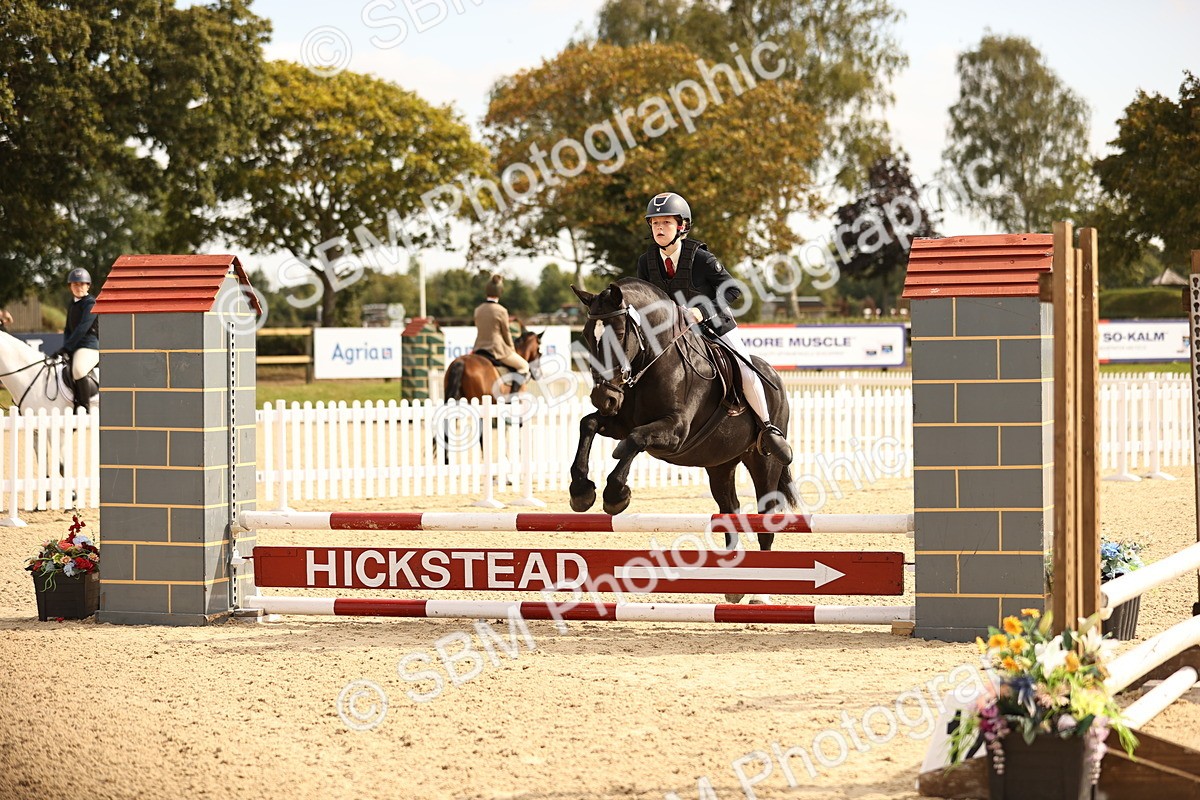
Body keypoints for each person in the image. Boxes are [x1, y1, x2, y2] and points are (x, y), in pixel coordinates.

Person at [635, 192, 792, 465]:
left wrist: (702, 311)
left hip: (716, 326)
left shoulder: (701, 258)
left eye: (666, 223)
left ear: (681, 226)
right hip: (676, 335)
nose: (659, 228)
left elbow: (732, 289)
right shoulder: (646, 262)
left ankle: (767, 428)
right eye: (655, 223)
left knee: (745, 369)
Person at [472, 274, 530, 393]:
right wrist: (512, 349)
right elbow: (506, 333)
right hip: (496, 350)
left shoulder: (478, 309)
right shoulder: (501, 311)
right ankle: (513, 398)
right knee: (524, 366)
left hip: (479, 348)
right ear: (500, 292)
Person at [54, 268, 99, 413]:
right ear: (70, 287)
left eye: (81, 284)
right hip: (75, 347)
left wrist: (68, 347)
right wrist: (66, 347)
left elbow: (82, 328)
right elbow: (68, 329)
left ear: (88, 286)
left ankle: (84, 408)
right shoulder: (72, 304)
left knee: (79, 370)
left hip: (89, 347)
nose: (78, 287)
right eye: (75, 284)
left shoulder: (91, 303)